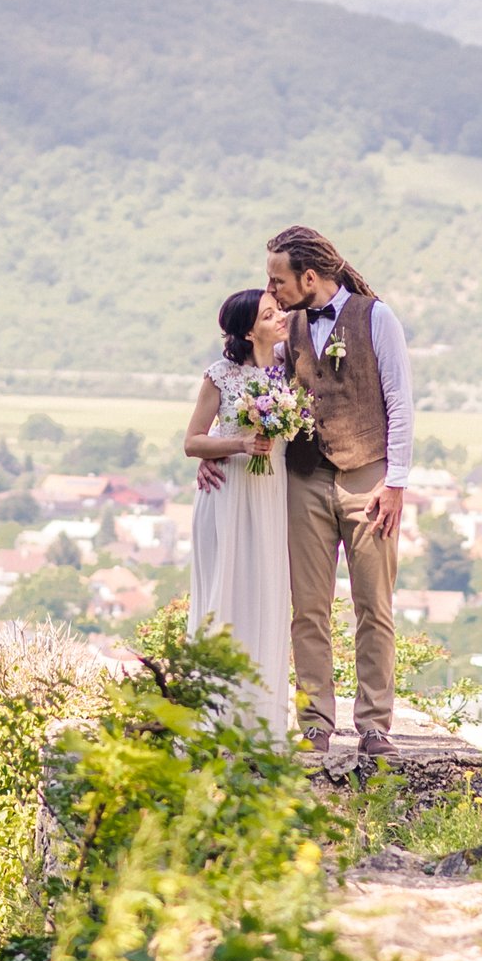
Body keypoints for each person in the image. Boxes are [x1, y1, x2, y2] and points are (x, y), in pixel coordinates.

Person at [266, 225, 412, 758]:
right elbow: (262, 387)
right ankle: (314, 724)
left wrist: (395, 483)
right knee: (308, 607)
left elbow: (400, 401)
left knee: (374, 605)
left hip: (368, 479)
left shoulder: (377, 317)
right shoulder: (288, 328)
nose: (272, 290)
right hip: (305, 477)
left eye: (278, 280)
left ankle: (374, 725)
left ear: (309, 277)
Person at [181, 287, 295, 735]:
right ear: (249, 332)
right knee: (225, 594)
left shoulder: (289, 368)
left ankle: (260, 717)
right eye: (269, 315)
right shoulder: (221, 376)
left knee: (266, 594)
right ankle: (214, 715)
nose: (280, 317)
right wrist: (238, 445)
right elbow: (193, 441)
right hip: (227, 493)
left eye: (278, 309)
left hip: (271, 493)